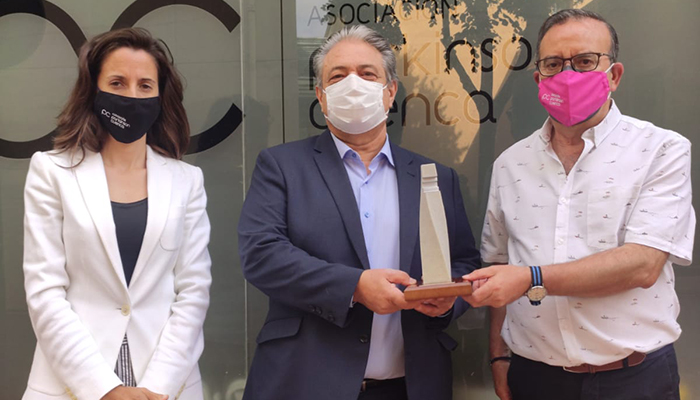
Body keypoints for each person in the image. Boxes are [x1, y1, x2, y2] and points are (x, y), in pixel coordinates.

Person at [462, 9, 695, 400]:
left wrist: (532, 278)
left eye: (585, 61)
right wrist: (498, 355)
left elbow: (643, 264)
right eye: (553, 64)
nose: (567, 74)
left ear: (614, 75)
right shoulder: (509, 165)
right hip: (536, 379)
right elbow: (500, 265)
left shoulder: (661, 150)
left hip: (635, 380)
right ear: (539, 79)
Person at [238, 25, 480, 400]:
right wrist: (354, 287)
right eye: (338, 76)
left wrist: (448, 301)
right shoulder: (282, 166)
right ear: (320, 96)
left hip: (411, 387)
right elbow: (262, 255)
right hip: (304, 383)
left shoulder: (435, 176)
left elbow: (464, 261)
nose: (353, 84)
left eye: (367, 73)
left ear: (390, 92)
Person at [22, 28, 212, 400]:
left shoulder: (187, 181)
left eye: (145, 85)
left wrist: (157, 387)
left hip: (165, 384)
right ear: (93, 90)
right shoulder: (51, 172)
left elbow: (193, 290)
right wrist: (105, 389)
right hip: (72, 383)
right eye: (117, 83)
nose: (132, 95)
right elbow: (45, 292)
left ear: (160, 96)